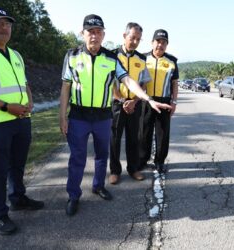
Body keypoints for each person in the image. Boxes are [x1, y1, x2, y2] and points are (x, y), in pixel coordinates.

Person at [59, 14, 170, 216]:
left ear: (103, 35)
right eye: (90, 32)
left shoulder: (111, 58)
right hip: (79, 116)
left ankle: (98, 186)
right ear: (82, 33)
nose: (94, 36)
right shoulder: (72, 55)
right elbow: (65, 87)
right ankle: (73, 195)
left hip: (102, 115)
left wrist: (147, 99)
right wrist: (62, 116)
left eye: (98, 32)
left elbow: (127, 80)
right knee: (77, 158)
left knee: (102, 154)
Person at [0, 4, 44, 235]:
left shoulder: (15, 54)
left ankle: (18, 198)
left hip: (21, 117)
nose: (4, 27)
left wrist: (29, 100)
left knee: (17, 164)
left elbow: (24, 84)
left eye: (8, 23)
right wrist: (6, 107)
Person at [108, 22, 150, 185]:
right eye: (132, 38)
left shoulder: (141, 58)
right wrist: (122, 100)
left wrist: (134, 101)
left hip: (135, 104)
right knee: (115, 138)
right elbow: (109, 82)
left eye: (138, 39)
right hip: (117, 104)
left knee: (134, 138)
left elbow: (144, 83)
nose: (135, 42)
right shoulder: (112, 56)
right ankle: (114, 171)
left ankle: (133, 169)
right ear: (124, 36)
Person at [139, 29, 179, 173]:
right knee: (144, 132)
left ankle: (160, 161)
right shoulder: (142, 58)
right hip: (146, 101)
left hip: (164, 101)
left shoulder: (172, 61)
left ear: (167, 45)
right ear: (152, 42)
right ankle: (143, 160)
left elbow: (175, 83)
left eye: (164, 42)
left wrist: (174, 102)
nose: (160, 45)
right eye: (158, 41)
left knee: (162, 133)